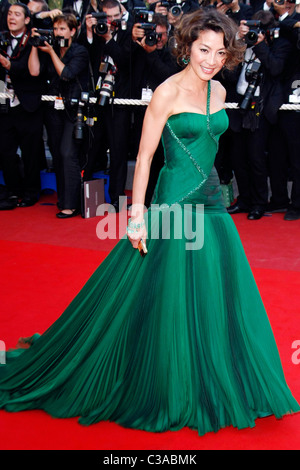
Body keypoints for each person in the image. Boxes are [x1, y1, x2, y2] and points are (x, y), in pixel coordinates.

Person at [0, 8, 299, 437]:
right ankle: (166, 377)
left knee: (216, 292)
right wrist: (137, 216)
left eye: (219, 52)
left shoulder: (218, 87)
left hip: (212, 201)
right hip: (173, 204)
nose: (211, 60)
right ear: (187, 47)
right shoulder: (167, 92)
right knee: (166, 296)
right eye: (203, 50)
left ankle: (210, 372)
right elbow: (143, 158)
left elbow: (214, 142)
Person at [28, 12, 89, 218]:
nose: (57, 32)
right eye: (55, 29)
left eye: (62, 29)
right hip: (53, 110)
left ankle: (71, 204)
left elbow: (66, 74)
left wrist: (52, 53)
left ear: (73, 31)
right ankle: (63, 199)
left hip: (74, 111)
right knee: (57, 155)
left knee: (67, 153)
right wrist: (35, 47)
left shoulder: (80, 51)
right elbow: (34, 72)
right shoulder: (48, 49)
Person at [0, 2, 44, 210]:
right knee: (5, 150)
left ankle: (30, 192)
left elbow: (33, 71)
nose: (12, 18)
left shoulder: (33, 41)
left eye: (17, 14)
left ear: (26, 20)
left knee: (31, 152)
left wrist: (9, 65)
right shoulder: (1, 38)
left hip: (28, 103)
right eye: (9, 14)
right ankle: (12, 190)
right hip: (4, 103)